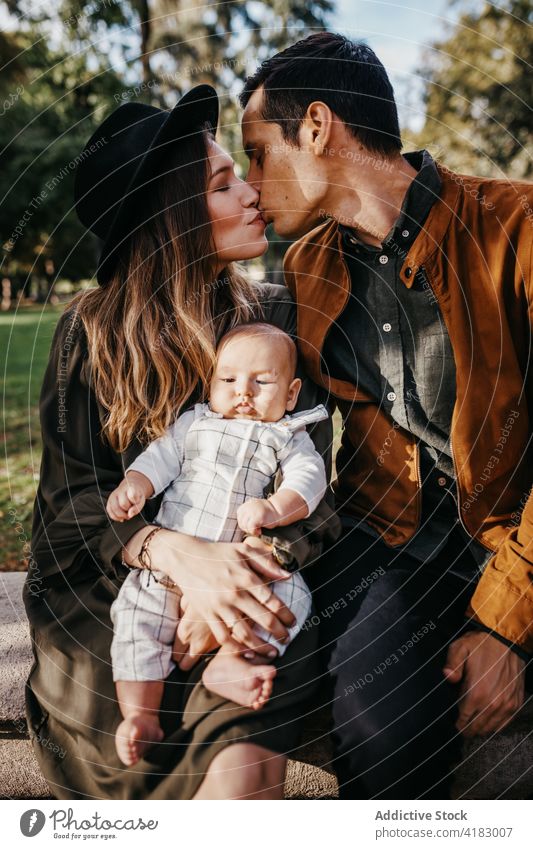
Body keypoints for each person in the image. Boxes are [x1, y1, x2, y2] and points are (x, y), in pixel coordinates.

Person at [24, 84, 340, 800]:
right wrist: (172, 556)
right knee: (136, 732)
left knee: (244, 733)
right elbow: (70, 502)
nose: (252, 191)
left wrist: (238, 572)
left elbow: (314, 481)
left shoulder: (275, 320)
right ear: (173, 217)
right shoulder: (92, 334)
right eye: (223, 183)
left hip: (249, 585)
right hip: (113, 599)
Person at [240, 32, 533, 798]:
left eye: (256, 152)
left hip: (516, 542)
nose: (249, 182)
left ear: (315, 127)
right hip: (391, 552)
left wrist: (506, 624)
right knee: (376, 733)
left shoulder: (517, 231)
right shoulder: (306, 268)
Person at [106, 321, 328, 766]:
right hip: (170, 564)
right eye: (228, 380)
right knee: (134, 617)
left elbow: (310, 478)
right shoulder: (195, 423)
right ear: (211, 383)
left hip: (237, 567)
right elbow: (161, 457)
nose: (242, 392)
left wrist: (275, 508)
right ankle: (140, 714)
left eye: (262, 383)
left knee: (292, 597)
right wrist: (137, 483)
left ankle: (234, 660)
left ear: (290, 394)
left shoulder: (288, 434)